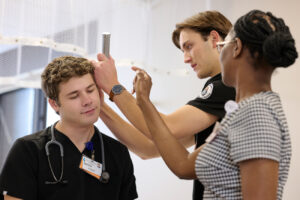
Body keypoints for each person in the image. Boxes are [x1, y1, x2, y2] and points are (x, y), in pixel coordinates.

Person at [134, 10, 297, 199]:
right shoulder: (241, 112)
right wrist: (143, 101)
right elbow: (183, 165)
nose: (220, 54)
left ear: (236, 48)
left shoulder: (256, 114)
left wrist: (117, 90)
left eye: (222, 45)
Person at [92, 10, 235, 199]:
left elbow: (167, 128)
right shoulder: (222, 94)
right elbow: (148, 146)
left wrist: (113, 87)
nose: (185, 58)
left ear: (214, 38)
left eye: (189, 46)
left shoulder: (226, 86)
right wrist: (100, 105)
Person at [0, 56, 138, 200]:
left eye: (90, 90)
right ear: (54, 104)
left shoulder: (118, 152)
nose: (87, 101)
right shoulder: (29, 151)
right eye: (74, 96)